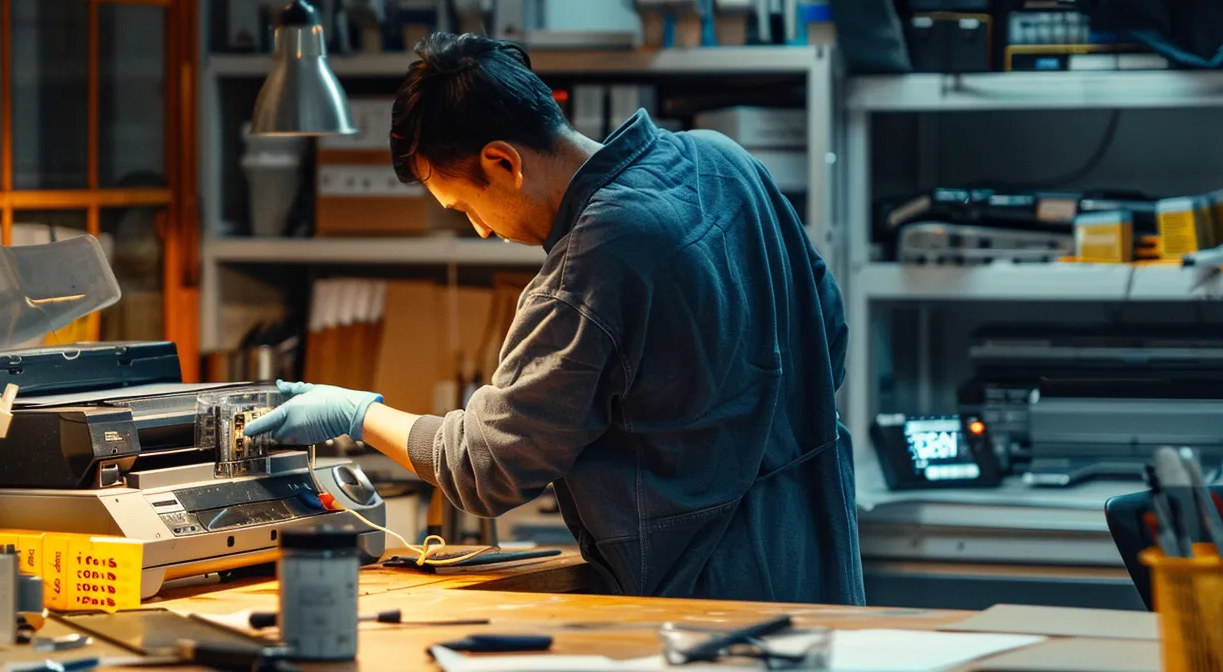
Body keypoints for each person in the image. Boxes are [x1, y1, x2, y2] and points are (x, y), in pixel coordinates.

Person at [244, 32, 862, 604]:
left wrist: (359, 412)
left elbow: (486, 467)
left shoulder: (596, 259)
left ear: (503, 163)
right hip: (819, 555)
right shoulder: (719, 160)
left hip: (708, 601)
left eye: (466, 206)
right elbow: (827, 334)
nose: (481, 229)